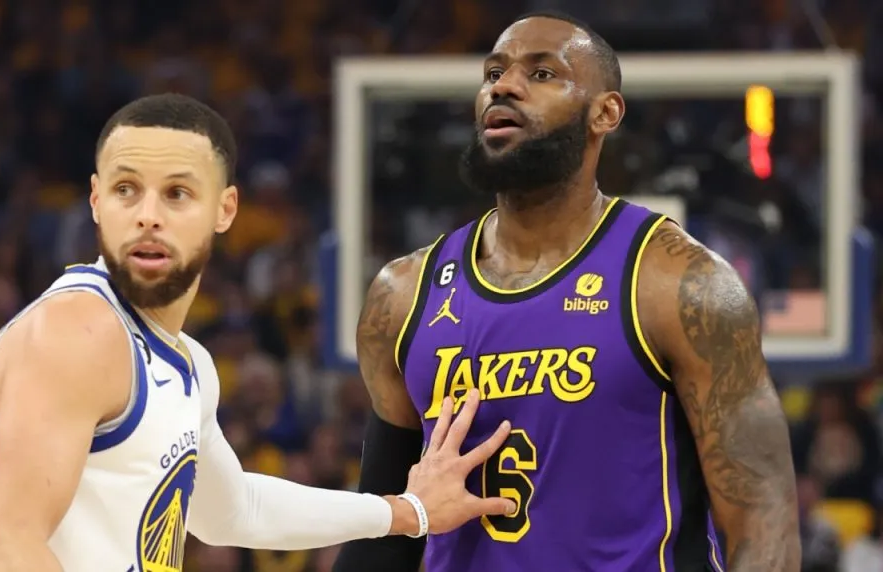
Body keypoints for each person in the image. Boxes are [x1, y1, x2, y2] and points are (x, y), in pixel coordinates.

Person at [0, 93, 517, 572]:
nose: (148, 214)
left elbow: (232, 509)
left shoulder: (187, 364)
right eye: (126, 189)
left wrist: (406, 510)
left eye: (177, 193)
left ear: (225, 209)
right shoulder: (77, 328)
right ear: (95, 201)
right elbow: (6, 552)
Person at [333, 11, 800, 572]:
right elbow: (382, 533)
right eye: (494, 73)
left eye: (542, 74)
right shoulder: (403, 294)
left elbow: (764, 525)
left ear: (606, 112)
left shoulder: (681, 284)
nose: (503, 86)